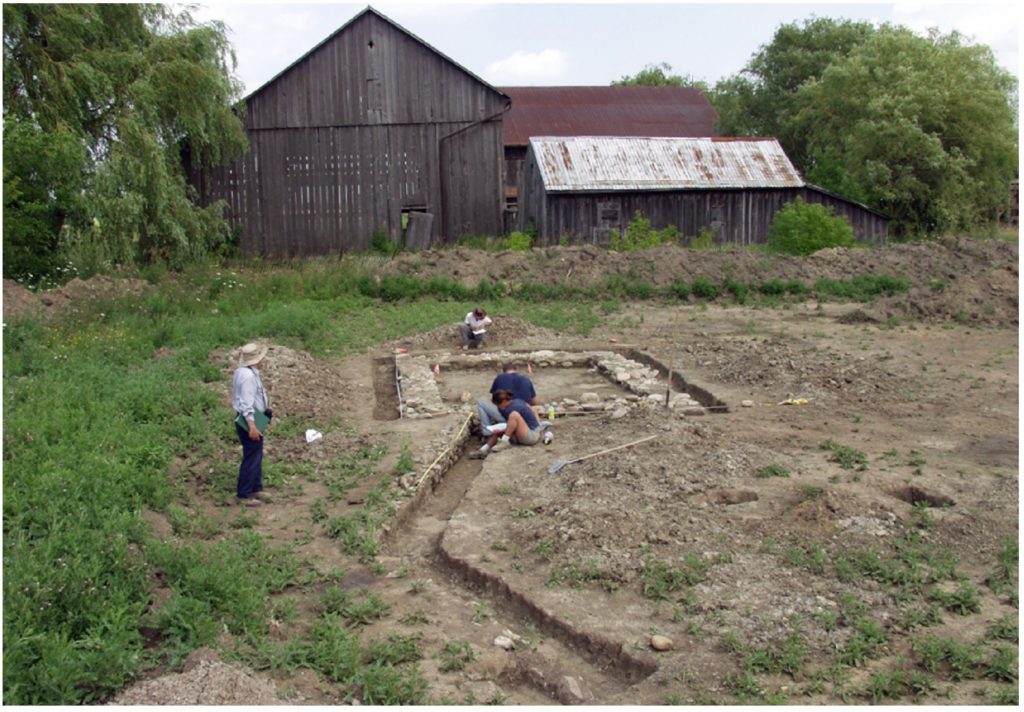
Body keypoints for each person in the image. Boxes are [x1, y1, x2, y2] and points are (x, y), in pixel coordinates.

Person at [232, 342, 273, 506]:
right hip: (251, 419)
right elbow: (246, 403)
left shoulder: (243, 372)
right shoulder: (248, 376)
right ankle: (244, 493)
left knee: (256, 454)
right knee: (251, 456)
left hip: (254, 417)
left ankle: (256, 487)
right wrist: (252, 426)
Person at [471, 389, 547, 459]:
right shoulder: (518, 401)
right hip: (532, 431)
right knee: (501, 432)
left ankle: (504, 442)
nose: (499, 408)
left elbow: (511, 425)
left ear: (503, 402)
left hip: (531, 436)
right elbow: (532, 409)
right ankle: (483, 450)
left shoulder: (509, 410)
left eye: (498, 405)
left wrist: (501, 431)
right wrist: (539, 427)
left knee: (514, 416)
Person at [477, 362, 540, 435]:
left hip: (507, 416)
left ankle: (487, 431)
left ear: (504, 371)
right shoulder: (526, 379)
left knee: (481, 401)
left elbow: (495, 400)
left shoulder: (500, 378)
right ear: (516, 370)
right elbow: (534, 401)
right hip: (525, 417)